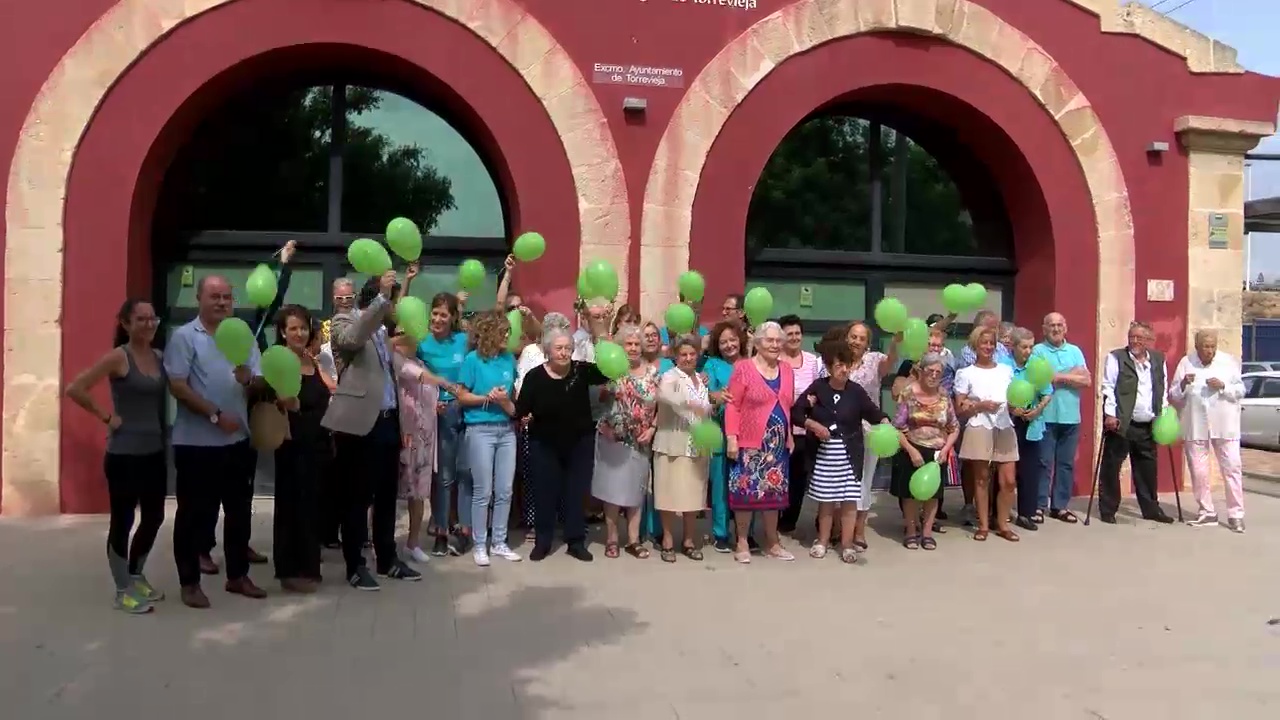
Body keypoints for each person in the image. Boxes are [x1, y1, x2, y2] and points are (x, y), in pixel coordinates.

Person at [325, 272, 436, 590]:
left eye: (349, 297)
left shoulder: (380, 329)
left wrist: (400, 423)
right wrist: (381, 299)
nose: (345, 303)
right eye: (340, 299)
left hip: (387, 419)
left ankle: (388, 559)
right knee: (357, 497)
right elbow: (352, 339)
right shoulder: (342, 323)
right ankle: (355, 566)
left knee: (387, 495)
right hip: (359, 423)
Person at [164, 275, 266, 608]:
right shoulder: (185, 337)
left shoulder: (242, 335)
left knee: (239, 513)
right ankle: (189, 581)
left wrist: (249, 379)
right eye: (214, 297)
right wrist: (214, 414)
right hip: (196, 445)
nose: (222, 302)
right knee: (193, 514)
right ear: (199, 299)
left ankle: (237, 575)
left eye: (227, 297)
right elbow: (178, 386)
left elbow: (259, 381)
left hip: (237, 441)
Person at [65, 299, 168, 613]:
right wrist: (107, 418)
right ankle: (122, 589)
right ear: (125, 323)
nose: (148, 324)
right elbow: (76, 388)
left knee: (154, 516)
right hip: (124, 454)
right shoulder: (118, 358)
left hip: (154, 451)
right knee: (122, 520)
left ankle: (135, 575)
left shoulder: (160, 358)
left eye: (153, 319)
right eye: (141, 319)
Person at [515, 328, 611, 562]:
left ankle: (576, 541)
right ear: (548, 350)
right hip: (544, 443)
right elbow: (522, 408)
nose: (564, 352)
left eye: (568, 348)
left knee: (576, 493)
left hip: (579, 442)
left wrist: (604, 337)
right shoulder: (535, 376)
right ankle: (543, 541)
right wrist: (524, 416)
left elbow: (606, 372)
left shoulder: (580, 370)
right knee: (544, 493)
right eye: (559, 348)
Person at [794, 339, 891, 562]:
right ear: (828, 367)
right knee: (826, 502)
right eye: (839, 365)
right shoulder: (818, 388)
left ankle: (847, 545)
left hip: (850, 454)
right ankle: (822, 541)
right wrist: (814, 425)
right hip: (824, 455)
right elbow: (797, 413)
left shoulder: (855, 391)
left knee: (849, 502)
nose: (844, 369)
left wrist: (885, 421)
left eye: (847, 364)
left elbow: (872, 412)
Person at [820, 321, 898, 551]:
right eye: (852, 336)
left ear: (868, 343)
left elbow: (891, 361)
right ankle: (836, 529)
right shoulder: (836, 361)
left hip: (869, 431)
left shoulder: (874, 360)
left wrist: (897, 341)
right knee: (837, 481)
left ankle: (859, 531)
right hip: (840, 431)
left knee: (863, 481)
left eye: (861, 338)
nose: (856, 341)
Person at [268, 305, 330, 593]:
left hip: (316, 444)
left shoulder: (311, 359)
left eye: (303, 328)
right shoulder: (280, 361)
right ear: (283, 332)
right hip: (292, 445)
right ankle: (289, 570)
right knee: (292, 507)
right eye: (293, 328)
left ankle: (309, 565)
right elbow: (270, 401)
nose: (299, 333)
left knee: (313, 507)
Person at [725, 321, 796, 563]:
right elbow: (733, 405)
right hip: (749, 443)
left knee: (774, 494)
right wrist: (732, 438)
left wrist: (789, 436)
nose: (775, 345)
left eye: (779, 341)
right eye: (770, 340)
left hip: (777, 446)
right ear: (758, 343)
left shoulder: (787, 370)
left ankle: (772, 542)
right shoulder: (744, 368)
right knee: (745, 492)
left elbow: (787, 405)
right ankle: (742, 541)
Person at [457, 311, 521, 567]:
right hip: (479, 429)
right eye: (503, 331)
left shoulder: (509, 360)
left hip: (506, 430)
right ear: (489, 332)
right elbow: (461, 396)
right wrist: (487, 397)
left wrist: (505, 401)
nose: (508, 335)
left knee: (505, 490)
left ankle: (500, 542)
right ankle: (480, 544)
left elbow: (514, 405)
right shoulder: (472, 360)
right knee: (483, 490)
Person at [592, 324, 658, 559]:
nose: (633, 348)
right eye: (628, 344)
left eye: (636, 344)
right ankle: (611, 539)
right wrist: (604, 424)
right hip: (614, 438)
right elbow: (596, 403)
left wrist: (652, 428)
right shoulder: (611, 372)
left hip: (641, 439)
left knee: (636, 492)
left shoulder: (653, 372)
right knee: (613, 491)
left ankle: (633, 540)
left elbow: (661, 406)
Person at [1170, 329, 1246, 532]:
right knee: (1198, 470)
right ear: (1197, 346)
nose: (1210, 350)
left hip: (1225, 424)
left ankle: (1236, 514)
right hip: (1196, 424)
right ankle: (1207, 511)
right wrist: (1184, 383)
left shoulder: (1228, 362)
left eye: (1213, 346)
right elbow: (1174, 394)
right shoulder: (1186, 362)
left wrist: (1223, 386)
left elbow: (1241, 391)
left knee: (1232, 467)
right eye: (1206, 346)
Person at [1098, 321, 1173, 525]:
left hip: (1147, 422)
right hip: (1123, 422)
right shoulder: (1116, 358)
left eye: (1140, 337)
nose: (1135, 341)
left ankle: (1151, 508)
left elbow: (1162, 387)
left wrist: (1163, 413)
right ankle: (1108, 509)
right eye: (1132, 337)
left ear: (1149, 340)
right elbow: (1108, 387)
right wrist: (1110, 414)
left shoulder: (1158, 359)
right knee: (1112, 466)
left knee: (1148, 467)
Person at [418, 292, 473, 557]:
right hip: (441, 412)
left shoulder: (464, 341)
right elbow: (413, 376)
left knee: (466, 473)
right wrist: (431, 403)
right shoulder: (422, 344)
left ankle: (464, 532)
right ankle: (440, 532)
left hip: (467, 410)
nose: (438, 319)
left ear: (453, 318)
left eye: (444, 314)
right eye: (435, 313)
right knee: (444, 477)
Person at [954, 325, 1020, 542]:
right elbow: (960, 409)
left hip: (1004, 425)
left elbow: (1014, 399)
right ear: (975, 345)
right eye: (984, 342)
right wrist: (980, 405)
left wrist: (1016, 406)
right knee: (981, 479)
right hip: (979, 425)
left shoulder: (1005, 370)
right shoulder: (965, 373)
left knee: (1009, 480)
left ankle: (1002, 524)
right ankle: (982, 525)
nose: (988, 347)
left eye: (992, 343)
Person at [888, 351, 959, 552]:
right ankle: (911, 531)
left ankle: (927, 533)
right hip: (912, 448)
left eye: (939, 371)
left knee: (933, 495)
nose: (934, 375)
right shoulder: (908, 393)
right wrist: (911, 450)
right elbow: (897, 427)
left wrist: (946, 448)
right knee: (910, 494)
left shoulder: (945, 395)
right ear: (921, 371)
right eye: (931, 370)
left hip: (937, 452)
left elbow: (954, 426)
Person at [653, 335, 713, 562]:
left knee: (693, 496)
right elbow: (672, 401)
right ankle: (667, 540)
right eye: (683, 354)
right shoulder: (669, 377)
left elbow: (706, 410)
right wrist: (696, 413)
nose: (688, 358)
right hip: (673, 444)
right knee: (668, 493)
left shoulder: (700, 378)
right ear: (675, 357)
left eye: (692, 354)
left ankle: (689, 540)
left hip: (697, 446)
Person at [1029, 312, 1091, 524]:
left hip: (1071, 417)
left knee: (1065, 464)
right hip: (1046, 416)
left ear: (1065, 328)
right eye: (1051, 325)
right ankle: (1038, 506)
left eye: (1059, 325)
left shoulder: (1075, 351)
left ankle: (1060, 506)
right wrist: (1072, 375)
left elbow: (1087, 381)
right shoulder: (1037, 350)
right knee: (1043, 463)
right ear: (1044, 329)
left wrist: (1058, 376)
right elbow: (1040, 379)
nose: (1055, 329)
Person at [515, 312, 571, 533]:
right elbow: (521, 382)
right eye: (554, 329)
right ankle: (532, 521)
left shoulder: (566, 354)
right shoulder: (531, 352)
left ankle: (560, 519)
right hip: (534, 422)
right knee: (533, 475)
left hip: (563, 425)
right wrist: (526, 411)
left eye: (562, 329)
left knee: (562, 474)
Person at [704, 320, 755, 553]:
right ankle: (721, 533)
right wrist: (716, 397)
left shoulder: (751, 364)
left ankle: (747, 534)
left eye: (732, 340)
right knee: (721, 487)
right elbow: (706, 394)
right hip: (720, 434)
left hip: (748, 434)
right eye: (723, 341)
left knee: (747, 486)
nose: (729, 345)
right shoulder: (712, 365)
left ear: (740, 341)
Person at [390, 327, 439, 563]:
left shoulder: (423, 362)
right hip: (399, 436)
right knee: (384, 494)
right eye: (398, 332)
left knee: (419, 494)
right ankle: (374, 541)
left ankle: (413, 543)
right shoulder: (392, 361)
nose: (404, 337)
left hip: (423, 439)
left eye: (407, 332)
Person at [777, 314, 822, 534]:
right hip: (779, 427)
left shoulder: (813, 361)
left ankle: (789, 519)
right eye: (789, 334)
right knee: (777, 474)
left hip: (803, 428)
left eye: (797, 333)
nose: (794, 338)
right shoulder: (775, 360)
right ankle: (772, 516)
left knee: (798, 477)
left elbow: (818, 390)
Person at [1008, 327, 1053, 531]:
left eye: (1030, 347)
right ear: (1013, 346)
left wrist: (1038, 409)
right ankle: (998, 513)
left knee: (1030, 470)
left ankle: (1026, 513)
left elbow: (1047, 393)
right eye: (1024, 347)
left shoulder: (1036, 366)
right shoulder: (1004, 366)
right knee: (1005, 470)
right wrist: (1012, 408)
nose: (1028, 351)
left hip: (1031, 421)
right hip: (1008, 422)